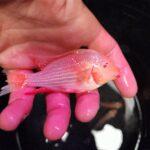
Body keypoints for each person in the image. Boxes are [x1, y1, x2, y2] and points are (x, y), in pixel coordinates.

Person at [0, 0, 137, 141]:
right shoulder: (88, 74)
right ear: (94, 70)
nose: (111, 70)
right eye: (106, 66)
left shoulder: (92, 68)